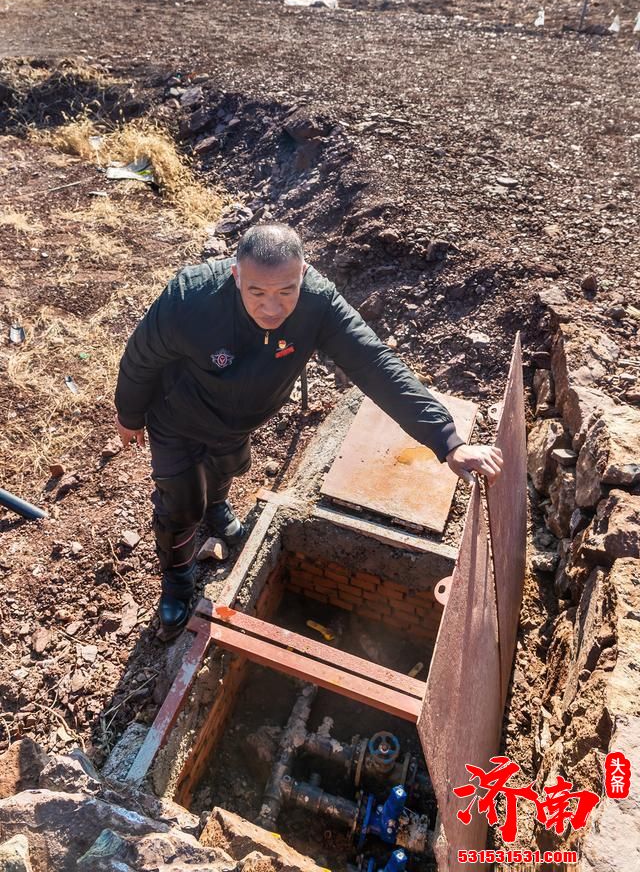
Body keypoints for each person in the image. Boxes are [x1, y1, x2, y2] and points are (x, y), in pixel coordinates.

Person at [115, 224, 503, 638]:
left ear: (303, 272)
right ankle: (177, 582)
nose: (271, 308)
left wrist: (447, 440)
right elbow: (140, 358)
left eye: (286, 291)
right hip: (179, 418)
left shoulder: (318, 304)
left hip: (240, 421)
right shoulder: (190, 300)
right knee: (180, 506)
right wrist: (129, 413)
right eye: (257, 293)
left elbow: (374, 365)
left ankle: (217, 508)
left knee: (229, 466)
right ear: (235, 276)